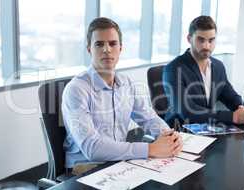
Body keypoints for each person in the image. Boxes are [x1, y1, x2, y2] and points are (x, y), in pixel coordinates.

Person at [62, 17, 182, 170]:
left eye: (112, 43)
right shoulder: (76, 90)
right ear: (89, 49)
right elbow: (92, 148)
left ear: (120, 48)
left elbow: (149, 118)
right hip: (84, 167)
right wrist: (150, 149)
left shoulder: (127, 84)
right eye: (99, 44)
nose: (107, 49)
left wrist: (170, 137)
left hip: (118, 162)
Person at [163, 16, 244, 127]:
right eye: (201, 40)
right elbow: (187, 112)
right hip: (180, 131)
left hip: (207, 128)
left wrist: (242, 108)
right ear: (189, 39)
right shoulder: (173, 69)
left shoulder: (218, 66)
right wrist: (233, 116)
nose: (206, 46)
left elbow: (230, 96)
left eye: (211, 40)